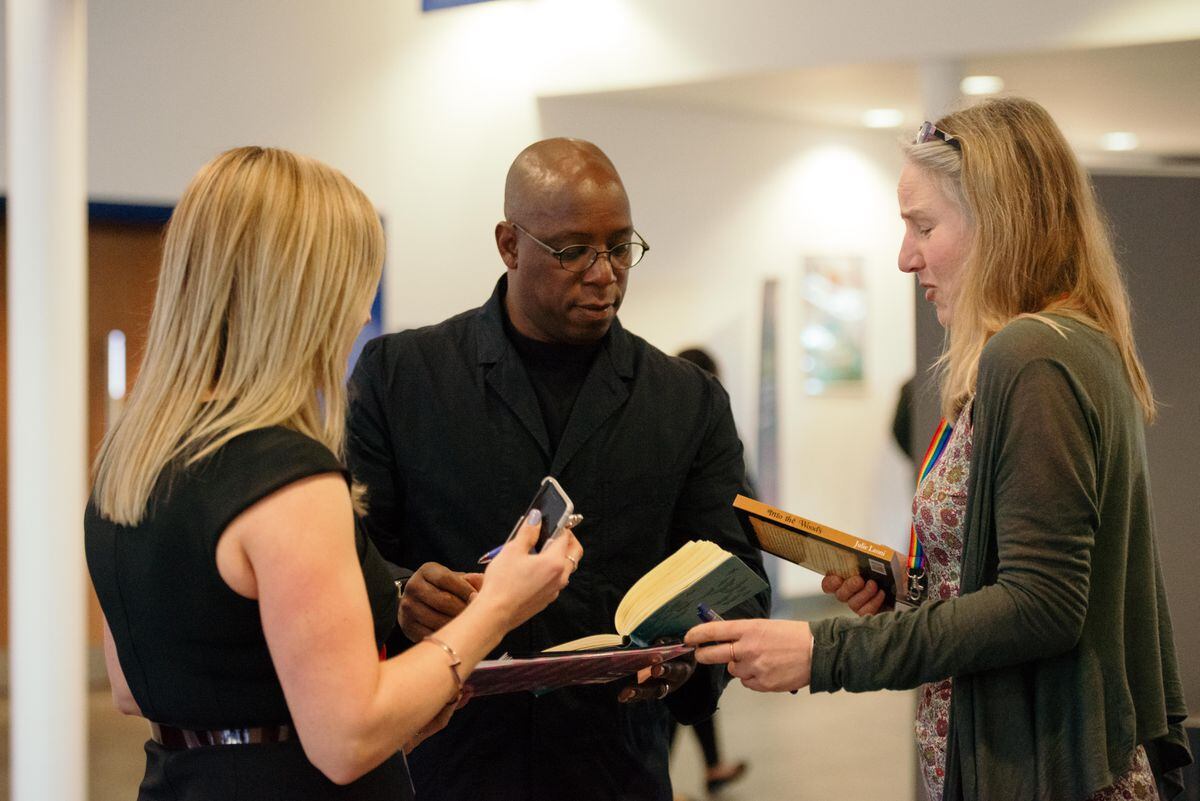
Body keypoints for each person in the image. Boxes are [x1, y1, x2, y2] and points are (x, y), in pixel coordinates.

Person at [686, 97, 1191, 801]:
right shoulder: (1074, 342)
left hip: (1044, 767)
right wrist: (909, 581)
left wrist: (821, 648)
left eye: (924, 225)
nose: (905, 256)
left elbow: (1043, 602)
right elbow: (1025, 572)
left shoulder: (1032, 353)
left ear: (1001, 223)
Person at [85, 146, 582, 800]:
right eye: (354, 286)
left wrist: (407, 686)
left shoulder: (130, 461)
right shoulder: (288, 475)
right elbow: (347, 739)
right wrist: (498, 606)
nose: (356, 315)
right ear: (305, 296)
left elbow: (135, 687)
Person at [346, 137, 770, 801]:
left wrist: (685, 660)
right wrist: (403, 592)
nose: (605, 273)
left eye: (621, 246)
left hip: (616, 763)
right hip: (448, 761)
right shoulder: (403, 378)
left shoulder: (686, 399)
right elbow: (350, 555)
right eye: (574, 250)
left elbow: (737, 576)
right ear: (509, 244)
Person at [670, 347, 750, 797]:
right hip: (686, 587)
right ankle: (712, 766)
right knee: (678, 684)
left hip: (695, 587)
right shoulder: (691, 425)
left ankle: (713, 765)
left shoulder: (706, 430)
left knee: (690, 677)